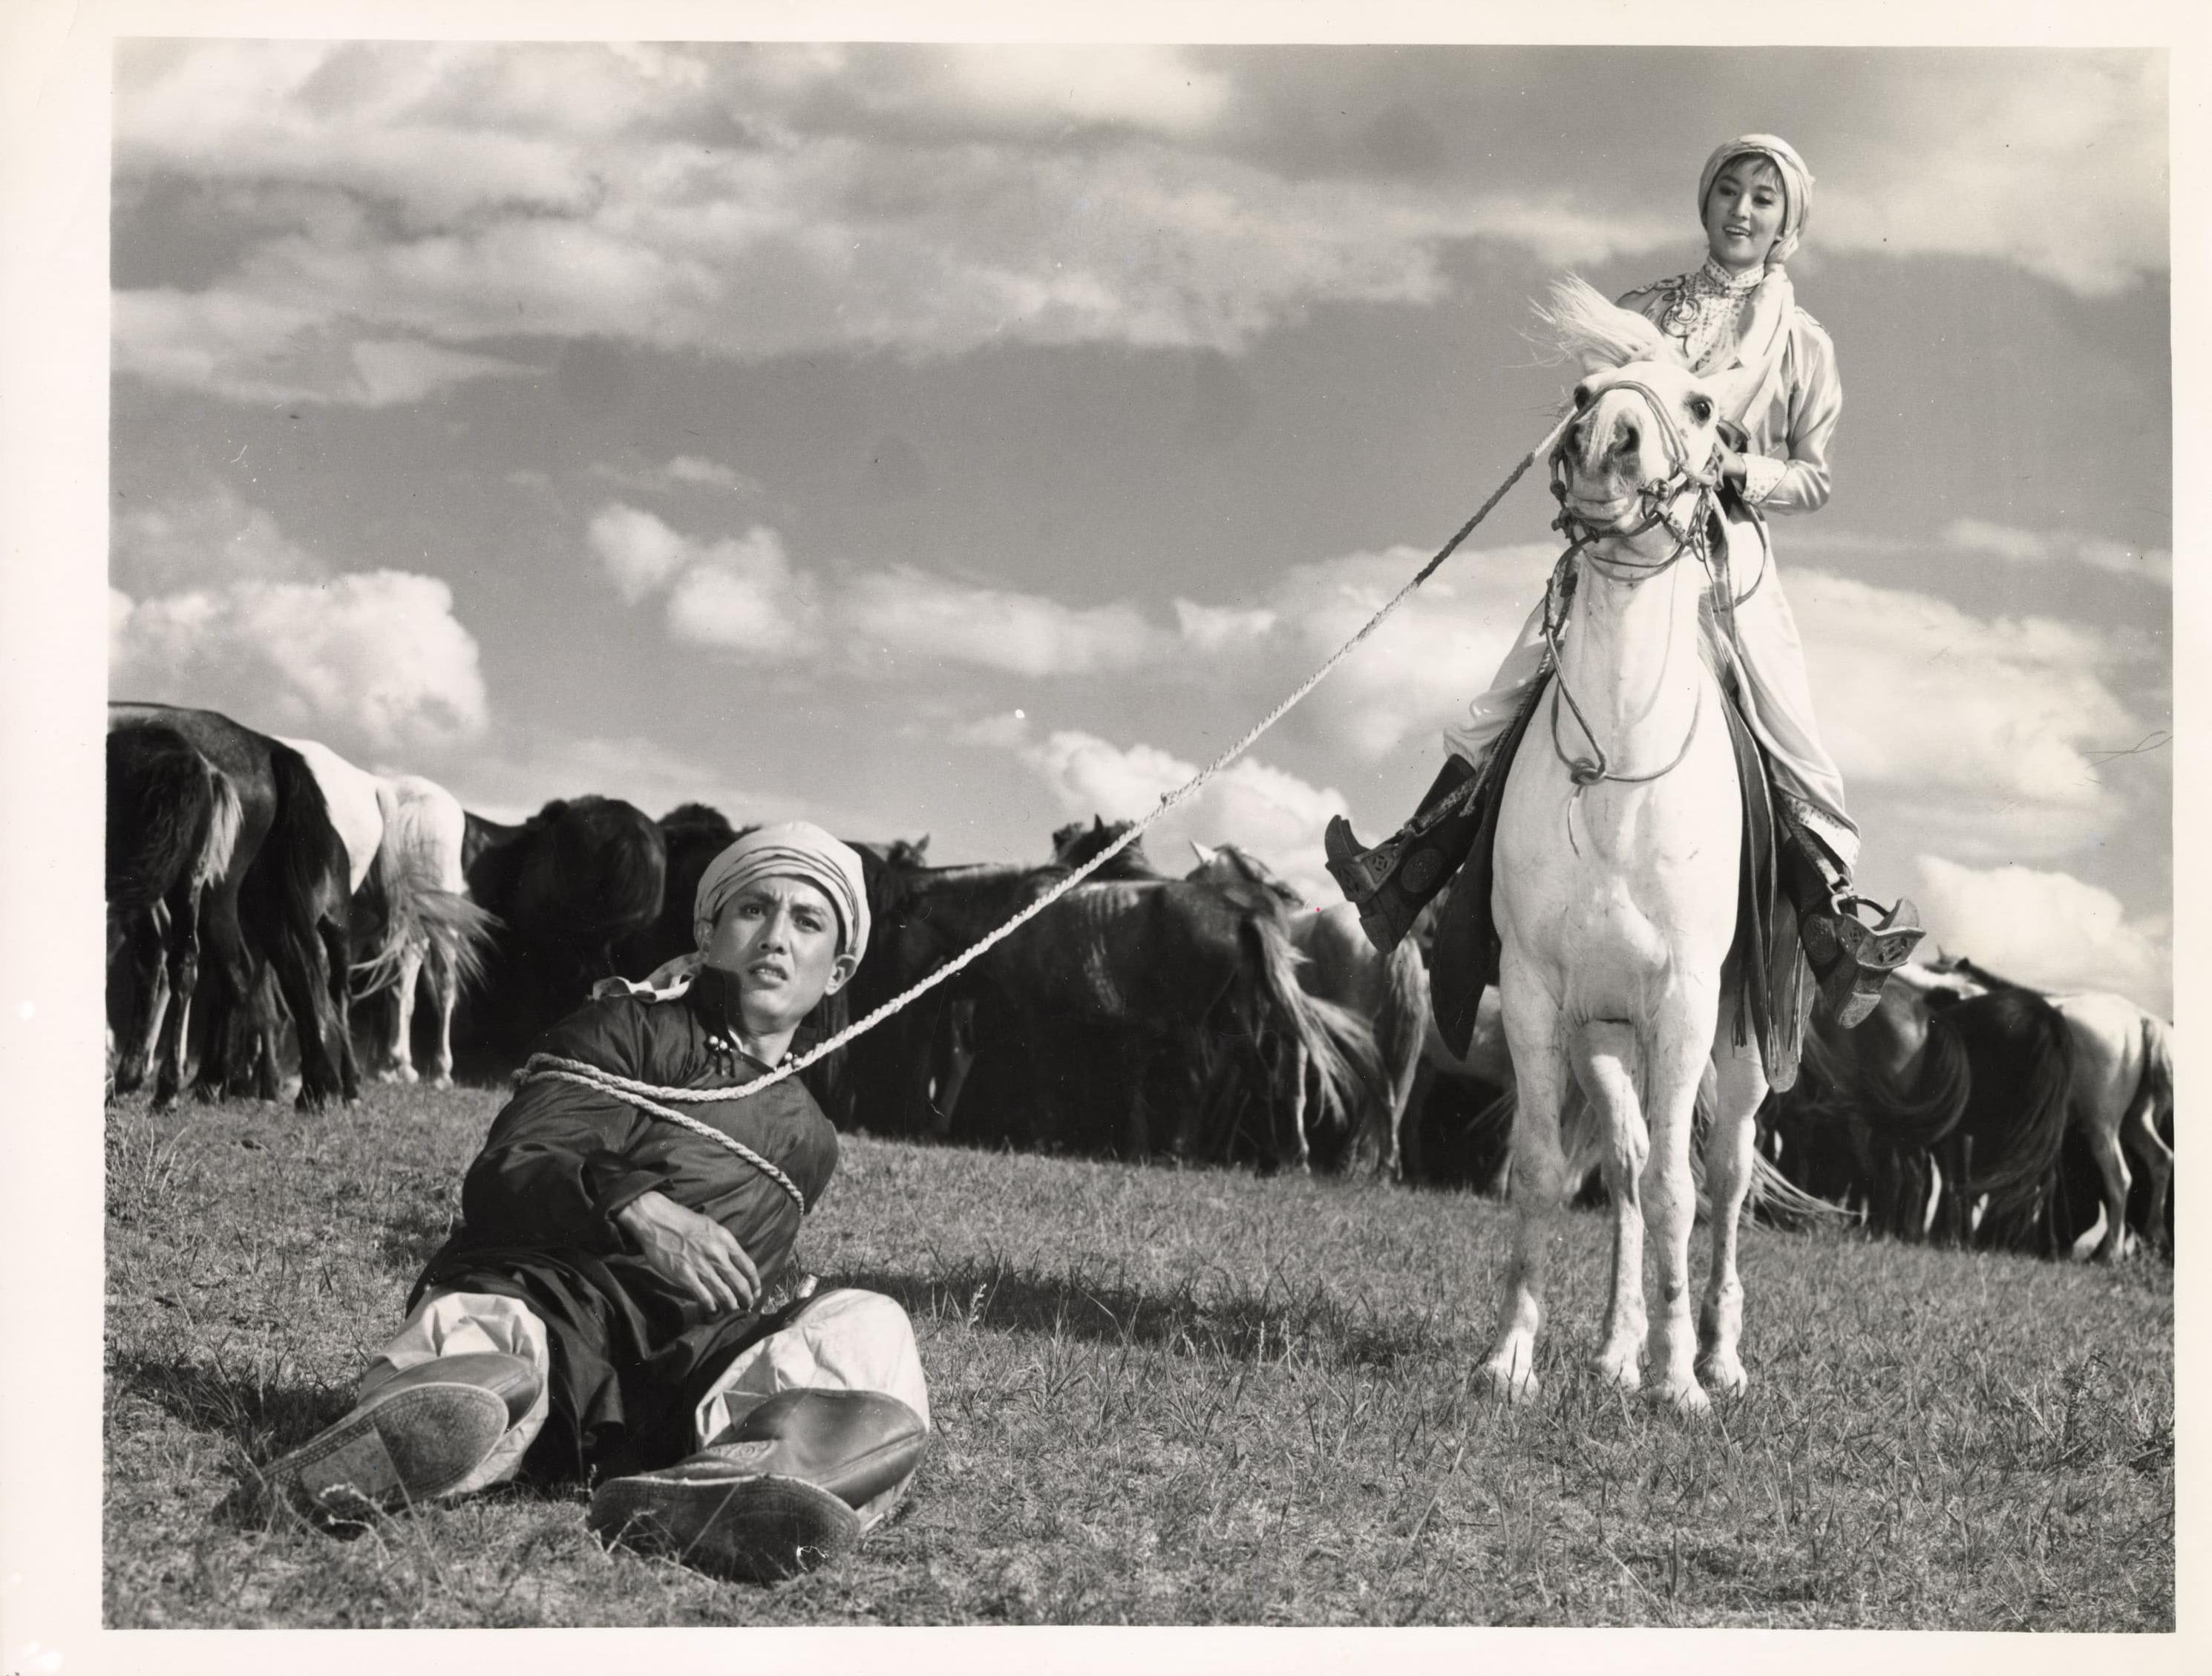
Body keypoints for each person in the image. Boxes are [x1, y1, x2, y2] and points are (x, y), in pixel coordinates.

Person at [1324, 134, 1922, 1029]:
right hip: (1620, 538)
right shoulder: (1638, 312)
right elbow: (1599, 421)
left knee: (1785, 717)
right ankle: (1405, 868)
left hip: (1722, 545)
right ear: (1706, 201)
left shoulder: (1801, 344)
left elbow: (1812, 475)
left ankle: (1828, 918)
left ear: (1787, 222)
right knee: (1513, 679)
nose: (1743, 210)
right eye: (1730, 190)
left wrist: (1737, 471)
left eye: (1765, 198)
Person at [268, 822, 931, 1583]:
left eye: (806, 921)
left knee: (870, 1323)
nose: (776, 937)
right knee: (490, 1349)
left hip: (675, 1392)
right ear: (710, 931)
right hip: (552, 1308)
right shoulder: (624, 1026)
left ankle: (738, 1486)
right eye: (753, 910)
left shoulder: (811, 1138)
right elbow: (514, 1166)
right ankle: (401, 1430)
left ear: (838, 968)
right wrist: (646, 1212)